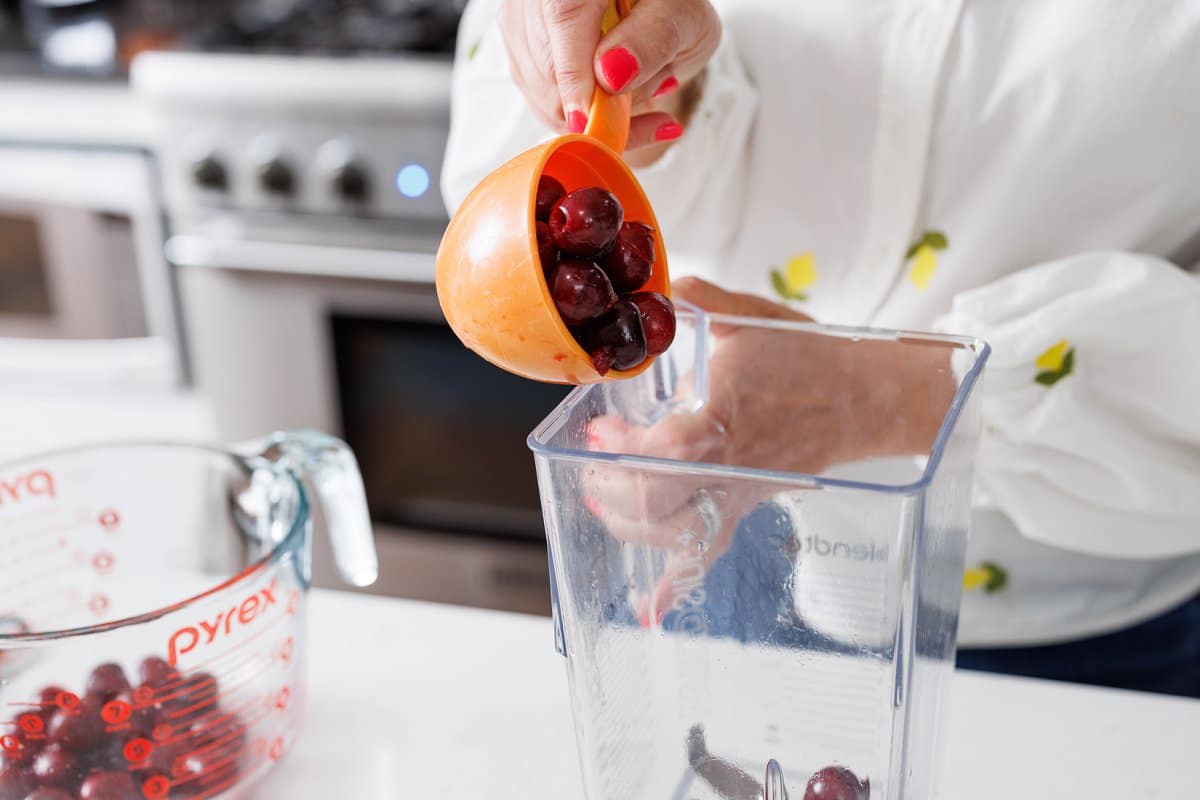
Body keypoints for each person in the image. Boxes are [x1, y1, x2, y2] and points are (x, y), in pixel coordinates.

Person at [440, 0, 1200, 697]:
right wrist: (647, 84)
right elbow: (509, 140)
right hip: (700, 564)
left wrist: (882, 396)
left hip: (1074, 635)